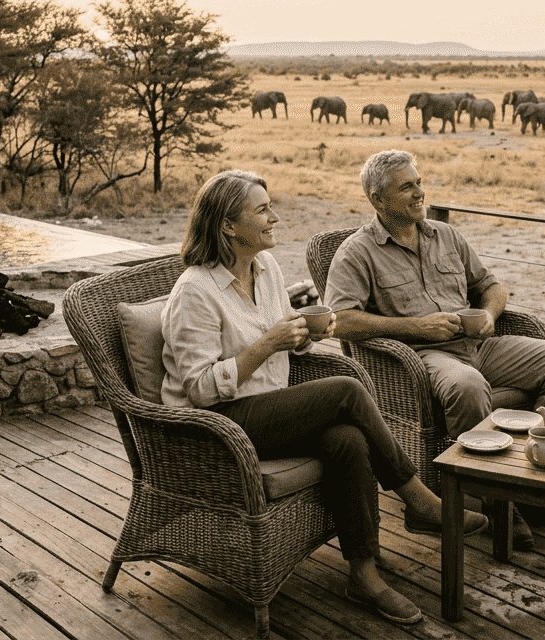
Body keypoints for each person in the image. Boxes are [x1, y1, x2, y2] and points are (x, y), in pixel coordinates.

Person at [159, 170, 487, 626]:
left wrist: (303, 336)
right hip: (217, 423)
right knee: (347, 390)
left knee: (347, 439)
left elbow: (281, 342)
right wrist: (268, 344)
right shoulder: (195, 290)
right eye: (262, 210)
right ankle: (417, 496)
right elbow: (198, 388)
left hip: (267, 407)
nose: (274, 217)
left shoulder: (267, 268)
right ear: (228, 227)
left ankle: (364, 574)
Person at [324, 149, 545, 550]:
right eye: (406, 187)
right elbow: (339, 320)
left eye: (419, 182)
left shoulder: (446, 235)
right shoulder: (357, 252)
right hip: (423, 357)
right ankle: (500, 504)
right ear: (378, 199)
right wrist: (415, 327)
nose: (419, 193)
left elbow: (491, 285)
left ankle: (533, 492)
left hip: (480, 344)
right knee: (468, 386)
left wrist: (488, 314)